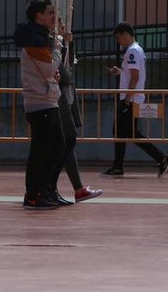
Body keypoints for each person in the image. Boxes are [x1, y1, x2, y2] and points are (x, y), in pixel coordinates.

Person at [14, 0, 69, 210]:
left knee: (58, 147)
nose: (53, 16)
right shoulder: (35, 41)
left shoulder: (41, 38)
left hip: (47, 99)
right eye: (50, 12)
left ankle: (46, 189)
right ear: (39, 16)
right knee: (42, 150)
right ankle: (34, 193)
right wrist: (58, 45)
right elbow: (49, 69)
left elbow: (54, 69)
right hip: (39, 101)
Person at [102, 22, 168, 178]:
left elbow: (135, 77)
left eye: (119, 38)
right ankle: (118, 166)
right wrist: (119, 72)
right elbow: (131, 74)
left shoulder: (132, 51)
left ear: (126, 34)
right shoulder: (136, 50)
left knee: (128, 133)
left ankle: (161, 158)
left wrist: (127, 99)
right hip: (132, 97)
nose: (118, 42)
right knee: (123, 132)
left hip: (130, 99)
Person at [56, 24, 102, 203]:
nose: (61, 27)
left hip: (65, 99)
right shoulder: (50, 43)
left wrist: (70, 44)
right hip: (56, 101)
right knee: (64, 143)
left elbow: (70, 63)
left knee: (65, 144)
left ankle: (76, 188)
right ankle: (46, 187)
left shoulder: (61, 43)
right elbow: (63, 71)